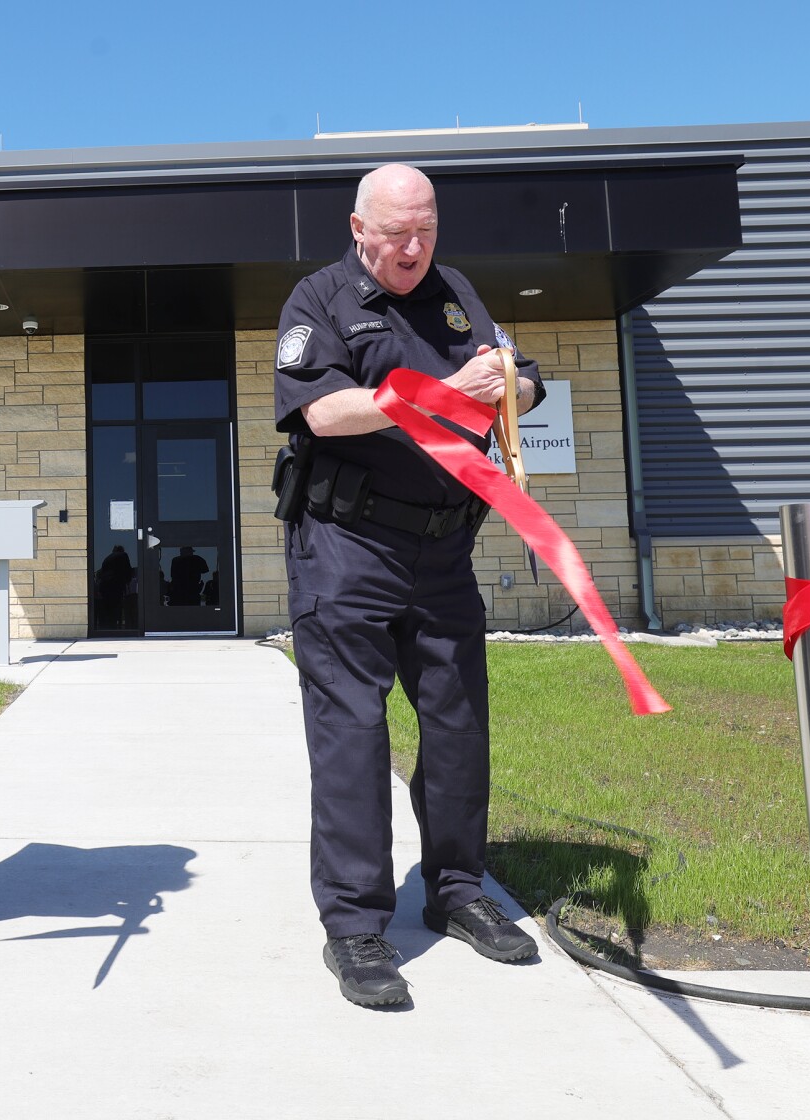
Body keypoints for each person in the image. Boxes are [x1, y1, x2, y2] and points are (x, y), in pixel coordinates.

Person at [273, 163, 545, 1007]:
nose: (415, 249)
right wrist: (431, 395)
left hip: (443, 549)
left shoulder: (456, 291)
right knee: (353, 731)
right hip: (347, 548)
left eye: (427, 230)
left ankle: (460, 890)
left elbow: (522, 376)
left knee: (459, 720)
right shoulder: (318, 301)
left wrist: (512, 388)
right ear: (359, 230)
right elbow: (322, 412)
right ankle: (356, 927)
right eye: (398, 235)